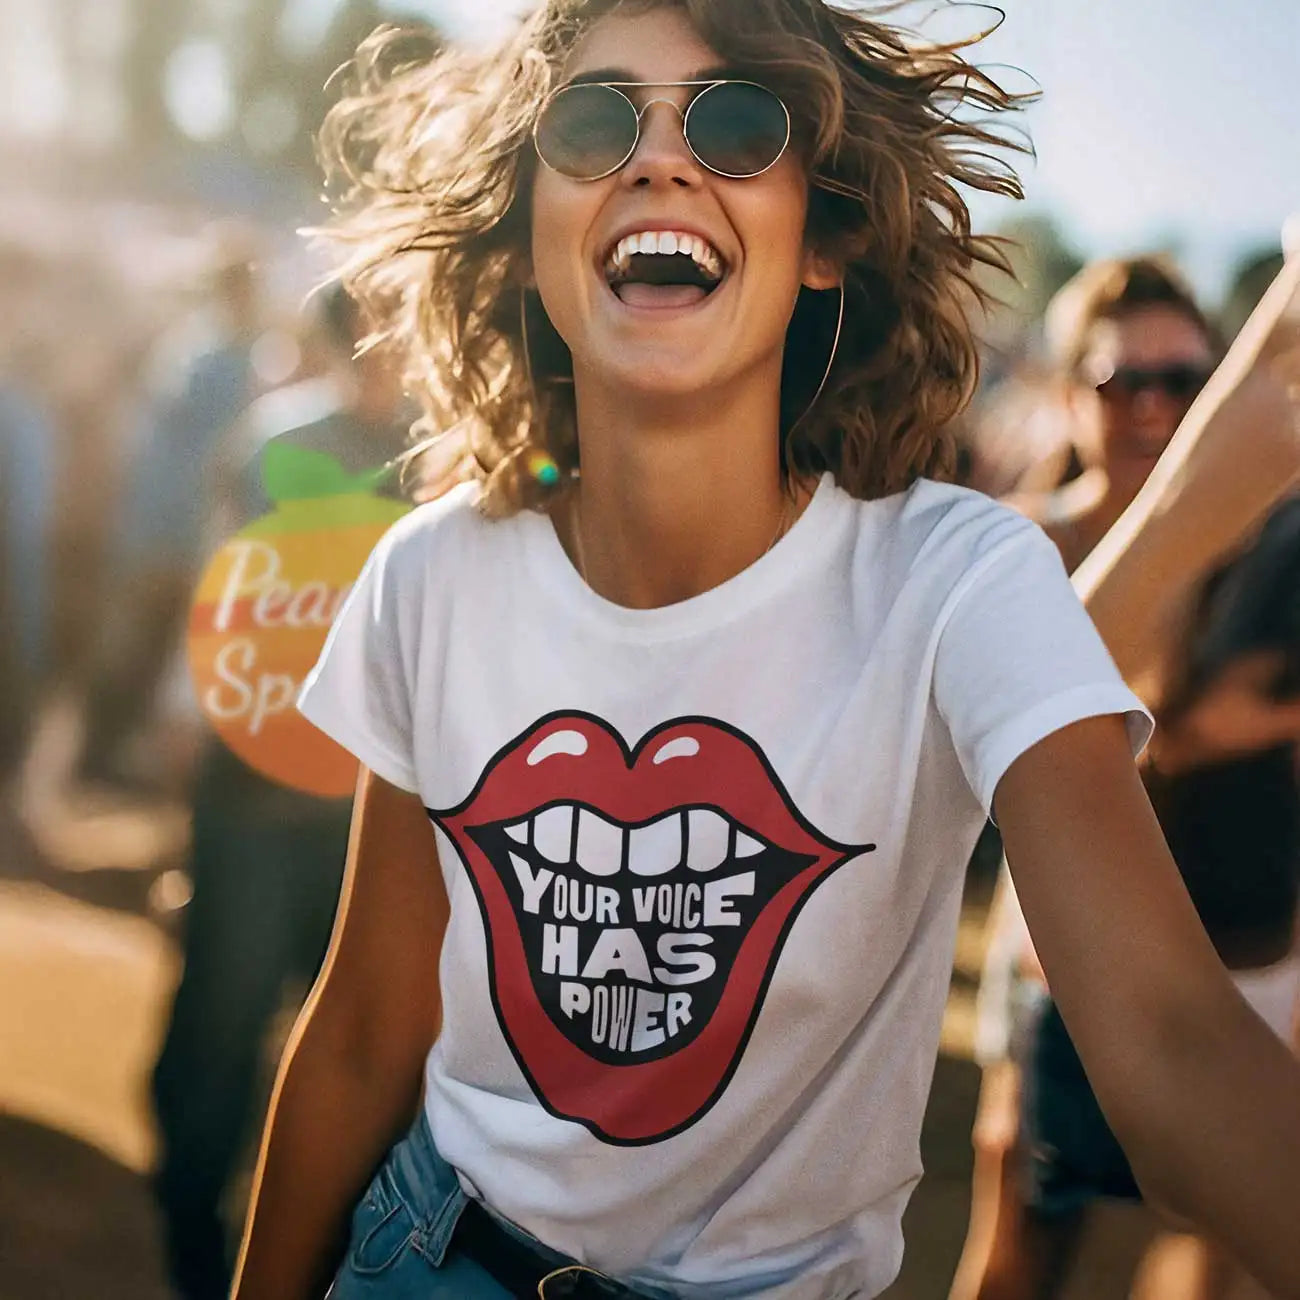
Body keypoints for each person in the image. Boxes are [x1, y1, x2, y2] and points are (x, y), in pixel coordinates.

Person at [233, 4, 1300, 1299]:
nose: (660, 159)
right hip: (424, 1257)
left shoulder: (960, 579)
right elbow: (358, 1037)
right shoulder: (432, 574)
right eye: (594, 120)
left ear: (828, 240)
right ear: (526, 236)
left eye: (737, 123)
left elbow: (1176, 1046)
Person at [953, 262, 1300, 1300]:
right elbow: (1093, 735)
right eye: (1119, 380)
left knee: (1215, 1243)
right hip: (1067, 957)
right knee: (1018, 1211)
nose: (1152, 404)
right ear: (1069, 394)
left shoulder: (1278, 542)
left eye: (1184, 380)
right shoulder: (1010, 544)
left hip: (1252, 939)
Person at [149, 286, 410, 1300]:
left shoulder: (456, 454)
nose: (385, 351)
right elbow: (221, 582)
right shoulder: (275, 440)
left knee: (363, 1032)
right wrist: (184, 709)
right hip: (256, 780)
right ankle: (190, 1213)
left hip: (376, 805)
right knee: (223, 1012)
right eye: (370, 327)